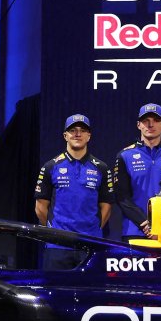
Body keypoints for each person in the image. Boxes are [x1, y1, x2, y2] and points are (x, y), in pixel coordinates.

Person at [34, 114, 114, 268]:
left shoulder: (101, 168)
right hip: (58, 246)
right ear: (65, 136)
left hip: (91, 245)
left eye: (82, 130)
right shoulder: (50, 167)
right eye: (73, 130)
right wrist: (54, 233)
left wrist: (94, 231)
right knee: (56, 290)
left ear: (89, 136)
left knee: (91, 291)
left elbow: (107, 207)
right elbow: (40, 207)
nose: (78, 134)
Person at [113, 103, 161, 239]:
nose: (150, 125)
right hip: (134, 232)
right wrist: (145, 224)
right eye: (145, 121)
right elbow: (122, 197)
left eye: (156, 120)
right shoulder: (124, 156)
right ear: (138, 125)